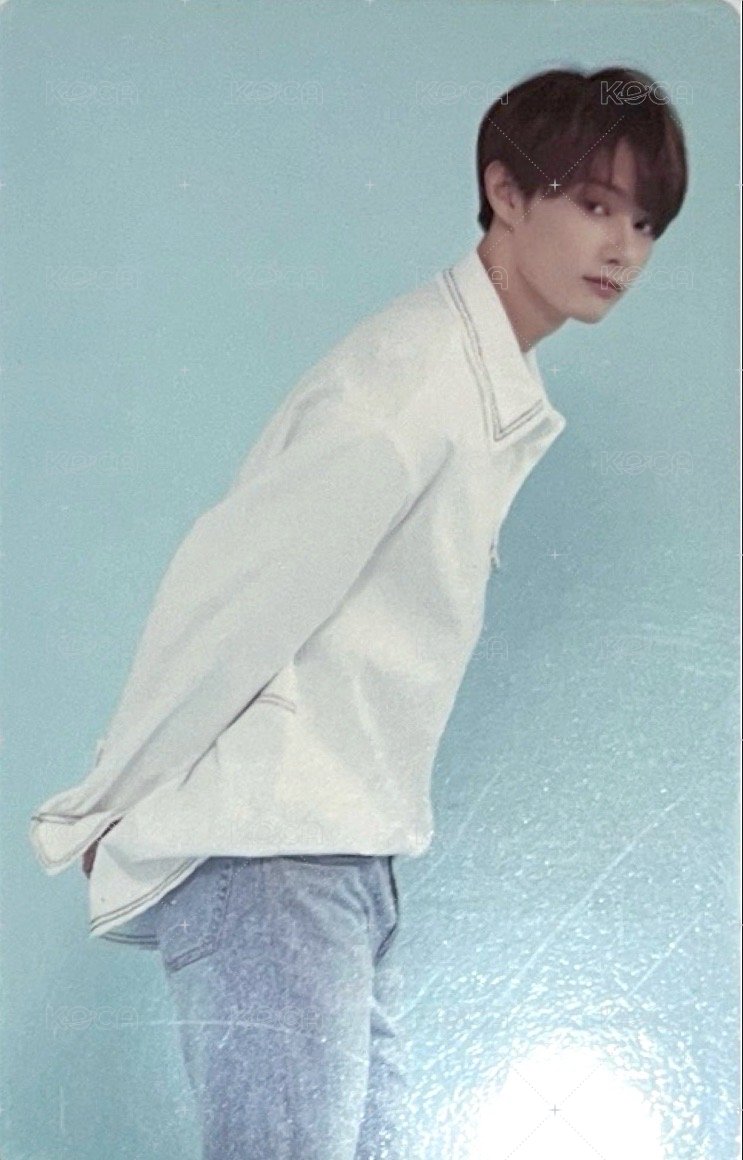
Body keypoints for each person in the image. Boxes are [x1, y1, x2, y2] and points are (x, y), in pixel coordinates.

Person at [30, 65, 687, 1159]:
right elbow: (233, 592)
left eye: (644, 222)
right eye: (591, 203)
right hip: (278, 859)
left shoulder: (476, 384)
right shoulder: (412, 383)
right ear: (505, 192)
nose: (620, 246)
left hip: (338, 864)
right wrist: (110, 798)